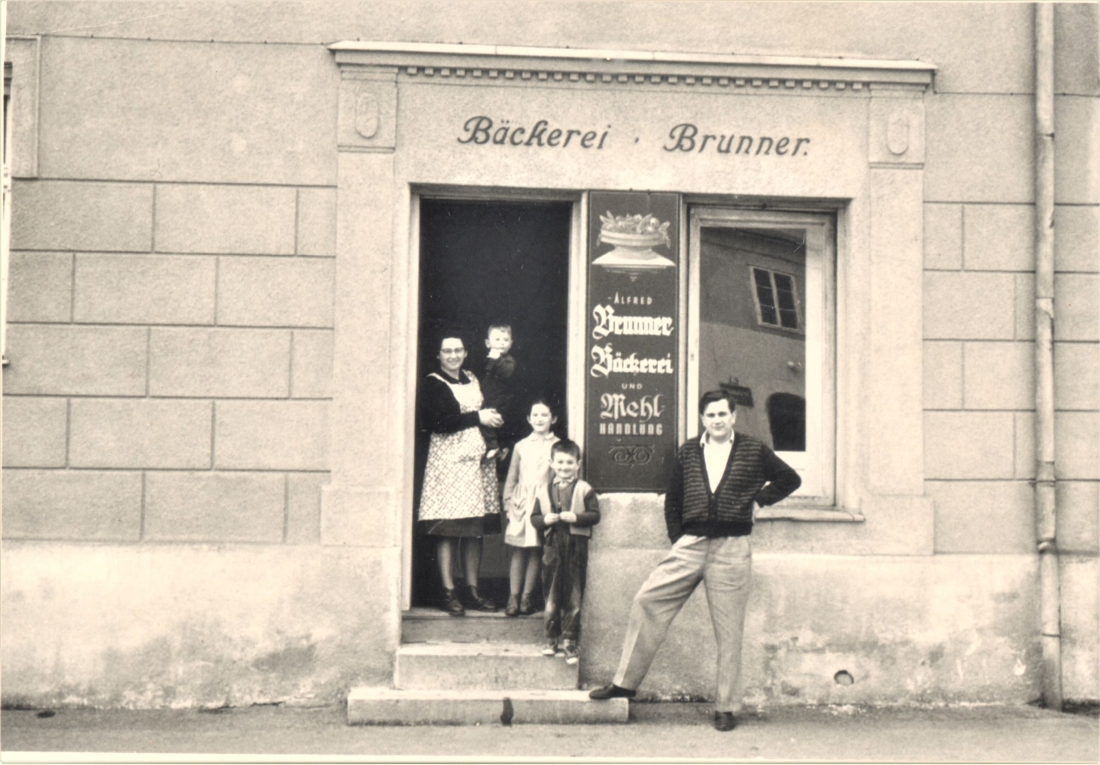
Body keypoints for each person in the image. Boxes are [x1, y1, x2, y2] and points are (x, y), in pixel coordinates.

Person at [589, 389, 801, 731]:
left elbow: (790, 478)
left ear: (733, 416)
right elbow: (673, 499)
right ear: (703, 419)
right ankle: (624, 684)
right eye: (711, 415)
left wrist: (759, 501)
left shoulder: (752, 449)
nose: (717, 420)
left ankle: (726, 707)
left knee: (729, 631)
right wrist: (678, 539)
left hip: (733, 547)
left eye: (722, 414)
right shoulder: (689, 451)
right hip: (691, 544)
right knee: (648, 600)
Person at [417, 332, 505, 616]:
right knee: (449, 528)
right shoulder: (434, 383)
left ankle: (472, 590)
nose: (453, 355)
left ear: (466, 353)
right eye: (447, 351)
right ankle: (448, 591)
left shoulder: (471, 377)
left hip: (477, 461)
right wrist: (477, 417)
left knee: (474, 530)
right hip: (449, 461)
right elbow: (437, 422)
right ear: (439, 355)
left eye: (458, 350)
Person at [531, 439, 601, 666]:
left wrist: (577, 518)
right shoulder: (543, 490)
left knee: (573, 593)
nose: (564, 467)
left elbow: (595, 515)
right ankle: (551, 639)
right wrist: (544, 520)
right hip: (552, 545)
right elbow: (534, 518)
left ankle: (570, 642)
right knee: (551, 594)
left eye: (569, 463)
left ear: (577, 464)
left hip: (575, 545)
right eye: (560, 462)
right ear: (552, 464)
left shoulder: (584, 488)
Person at [501, 399, 560, 617]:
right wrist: (508, 502)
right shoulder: (521, 446)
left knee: (536, 549)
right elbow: (512, 477)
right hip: (521, 501)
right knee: (519, 549)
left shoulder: (558, 445)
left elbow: (557, 478)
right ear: (528, 419)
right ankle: (513, 597)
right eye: (535, 415)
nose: (539, 419)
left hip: (543, 503)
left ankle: (527, 596)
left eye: (544, 415)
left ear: (553, 419)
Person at [479, 324, 517, 462]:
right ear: (488, 343)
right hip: (488, 396)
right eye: (497, 339)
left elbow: (506, 372)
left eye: (505, 340)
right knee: (486, 420)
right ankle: (499, 448)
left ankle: (494, 447)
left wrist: (498, 359)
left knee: (490, 421)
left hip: (500, 399)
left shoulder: (508, 360)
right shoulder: (488, 358)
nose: (502, 343)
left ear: (511, 344)